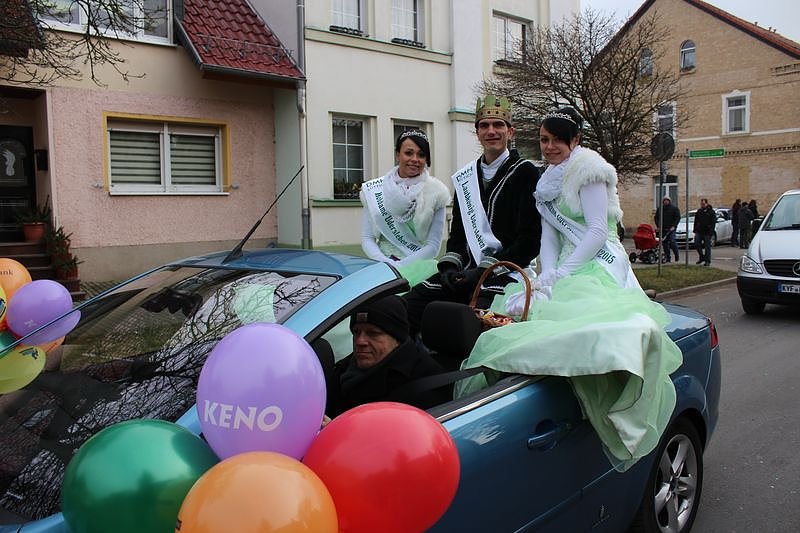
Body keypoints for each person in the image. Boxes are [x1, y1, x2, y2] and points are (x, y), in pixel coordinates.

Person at [457, 107, 682, 469]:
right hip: (565, 268)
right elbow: (549, 234)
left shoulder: (590, 172)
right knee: (528, 313)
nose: (548, 147)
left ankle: (615, 411)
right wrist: (545, 276)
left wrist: (563, 273)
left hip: (597, 266)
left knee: (585, 328)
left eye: (557, 140)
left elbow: (594, 231)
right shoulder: (546, 180)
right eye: (544, 140)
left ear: (574, 141)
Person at [403, 95, 541, 334]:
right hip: (465, 271)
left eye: (498, 125)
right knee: (405, 306)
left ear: (511, 132)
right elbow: (457, 235)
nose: (491, 131)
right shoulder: (466, 177)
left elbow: (530, 241)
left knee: (474, 321)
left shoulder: (526, 172)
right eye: (484, 125)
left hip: (506, 271)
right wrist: (449, 269)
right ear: (477, 132)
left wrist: (482, 271)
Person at [326, 295, 447, 416]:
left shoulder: (423, 383)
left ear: (397, 338)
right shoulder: (343, 369)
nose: (360, 341)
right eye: (356, 332)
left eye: (373, 333)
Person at [359, 130, 451, 266]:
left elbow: (433, 245)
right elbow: (367, 238)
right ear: (397, 155)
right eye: (408, 153)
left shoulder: (437, 192)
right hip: (382, 265)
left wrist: (401, 267)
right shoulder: (374, 189)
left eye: (421, 155)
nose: (414, 159)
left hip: (419, 266)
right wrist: (385, 263)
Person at [654, 196, 680, 262]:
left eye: (667, 200)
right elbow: (656, 218)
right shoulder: (660, 209)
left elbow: (677, 218)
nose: (666, 201)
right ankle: (668, 258)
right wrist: (658, 226)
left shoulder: (674, 208)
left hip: (671, 229)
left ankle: (676, 254)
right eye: (664, 200)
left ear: (669, 201)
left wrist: (674, 226)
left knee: (672, 241)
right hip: (663, 229)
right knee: (665, 244)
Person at [693, 198, 716, 266]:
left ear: (706, 203)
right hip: (699, 231)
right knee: (696, 244)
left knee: (707, 247)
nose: (702, 205)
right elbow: (696, 221)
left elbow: (713, 222)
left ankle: (707, 260)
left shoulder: (711, 212)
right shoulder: (699, 211)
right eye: (701, 204)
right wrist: (695, 229)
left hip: (707, 232)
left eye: (703, 204)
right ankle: (702, 257)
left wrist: (711, 232)